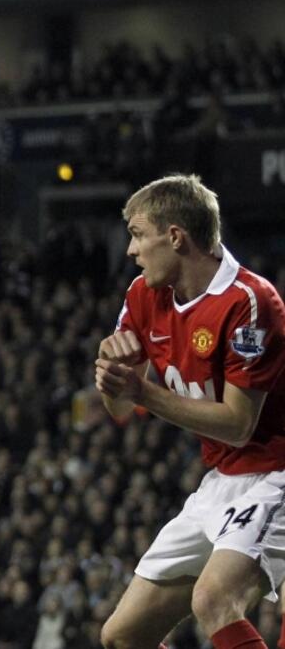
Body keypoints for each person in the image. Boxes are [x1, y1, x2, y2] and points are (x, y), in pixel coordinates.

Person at [95, 174, 285, 649]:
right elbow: (117, 408)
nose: (130, 251)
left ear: (175, 236)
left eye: (138, 235)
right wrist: (112, 375)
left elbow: (240, 425)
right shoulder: (144, 295)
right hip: (220, 480)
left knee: (214, 598)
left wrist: (145, 394)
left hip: (275, 474)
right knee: (122, 637)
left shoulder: (249, 301)